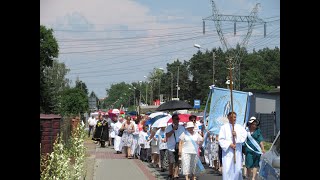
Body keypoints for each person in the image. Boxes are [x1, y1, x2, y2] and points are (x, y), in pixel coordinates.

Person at [218, 112, 247, 180]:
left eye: (234, 117)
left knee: (237, 169)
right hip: (227, 152)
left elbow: (244, 137)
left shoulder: (240, 127)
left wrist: (236, 135)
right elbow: (221, 139)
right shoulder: (223, 127)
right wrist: (229, 144)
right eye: (231, 117)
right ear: (228, 118)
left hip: (237, 151)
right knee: (227, 169)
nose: (233, 119)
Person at [165, 114, 185, 180]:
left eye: (178, 119)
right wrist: (173, 130)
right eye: (176, 119)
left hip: (178, 146)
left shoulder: (182, 127)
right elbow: (167, 136)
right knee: (171, 162)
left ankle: (176, 174)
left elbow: (183, 137)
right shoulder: (168, 127)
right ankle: (170, 173)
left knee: (177, 161)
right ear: (173, 120)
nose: (177, 120)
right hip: (170, 147)